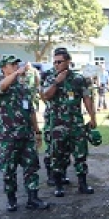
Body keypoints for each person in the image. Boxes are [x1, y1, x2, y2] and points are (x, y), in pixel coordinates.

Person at [0, 55, 50, 212]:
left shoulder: (24, 88)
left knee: (31, 167)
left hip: (26, 135)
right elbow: (1, 86)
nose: (17, 66)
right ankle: (11, 199)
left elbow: (30, 110)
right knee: (8, 169)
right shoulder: (0, 88)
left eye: (17, 64)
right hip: (8, 137)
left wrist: (37, 132)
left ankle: (33, 198)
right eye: (12, 65)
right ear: (4, 68)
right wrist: (18, 73)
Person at [41, 48, 97, 197]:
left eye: (59, 62)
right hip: (57, 124)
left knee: (80, 154)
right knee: (58, 155)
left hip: (76, 123)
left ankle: (83, 184)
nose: (56, 65)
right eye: (55, 62)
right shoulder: (50, 78)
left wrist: (92, 117)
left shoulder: (78, 79)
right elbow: (46, 96)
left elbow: (86, 98)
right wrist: (57, 82)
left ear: (68, 62)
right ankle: (59, 185)